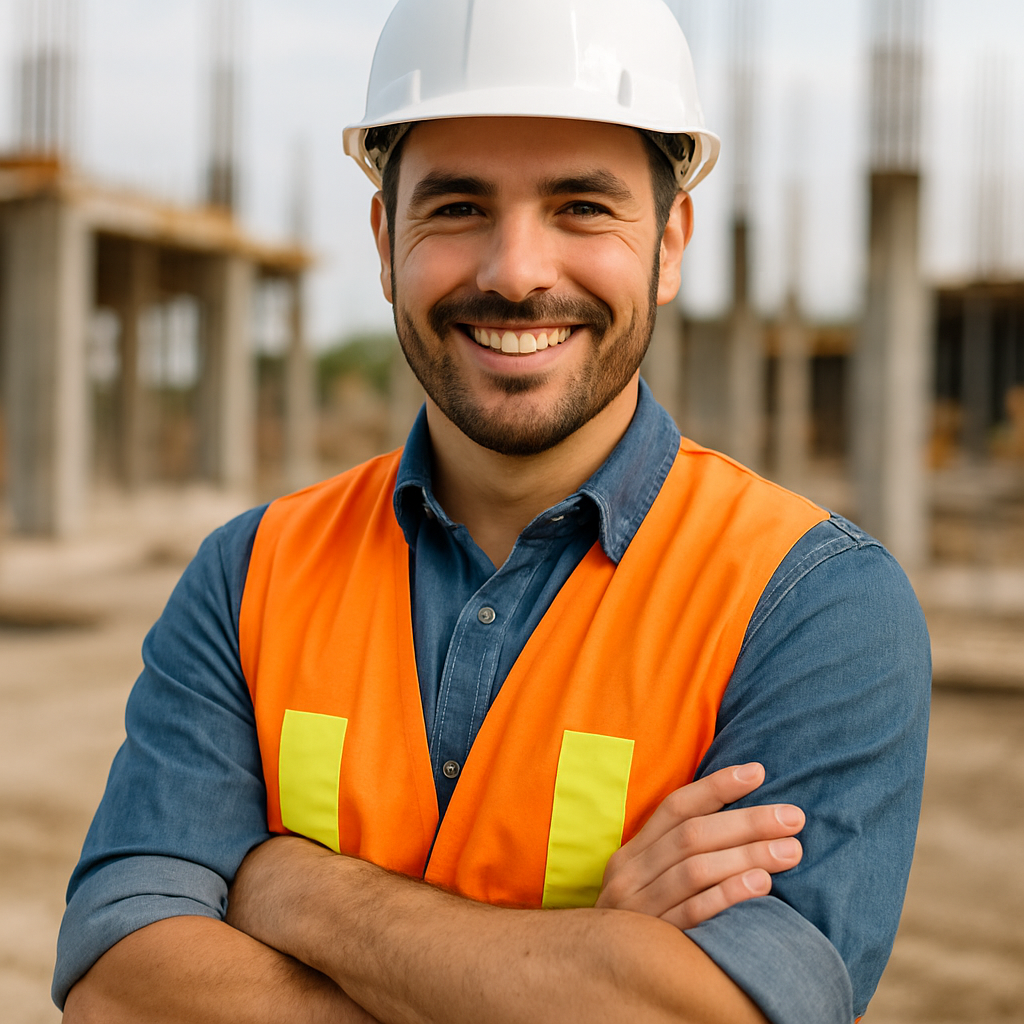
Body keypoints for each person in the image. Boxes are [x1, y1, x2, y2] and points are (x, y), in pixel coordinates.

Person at [54, 0, 931, 1021]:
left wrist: (298, 889)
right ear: (385, 238)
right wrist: (581, 964)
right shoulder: (251, 574)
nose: (516, 272)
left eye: (583, 207)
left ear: (671, 241)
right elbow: (121, 986)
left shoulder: (811, 603)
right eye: (458, 207)